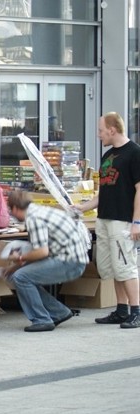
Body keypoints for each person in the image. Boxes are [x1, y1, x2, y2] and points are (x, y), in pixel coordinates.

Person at [76, 112, 140, 329]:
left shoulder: (135, 153)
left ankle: (136, 311)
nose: (98, 135)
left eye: (101, 130)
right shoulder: (107, 156)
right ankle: (121, 310)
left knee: (126, 266)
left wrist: (137, 222)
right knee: (111, 266)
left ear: (112, 129)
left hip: (123, 220)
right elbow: (105, 190)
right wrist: (84, 207)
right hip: (104, 218)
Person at [5, 190, 89, 332]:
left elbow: (41, 252)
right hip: (74, 259)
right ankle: (58, 312)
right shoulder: (40, 211)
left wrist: (19, 259)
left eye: (11, 211)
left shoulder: (34, 218)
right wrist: (14, 268)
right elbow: (41, 252)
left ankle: (42, 320)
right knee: (24, 276)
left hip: (69, 261)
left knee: (22, 277)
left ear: (15, 208)